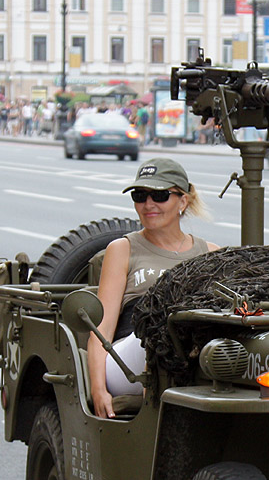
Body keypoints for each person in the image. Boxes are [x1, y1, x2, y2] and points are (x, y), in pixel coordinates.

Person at [88, 158, 218, 418]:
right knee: (162, 328)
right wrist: (97, 389)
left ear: (183, 201)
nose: (148, 205)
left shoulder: (210, 253)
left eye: (159, 195)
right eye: (140, 195)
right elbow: (102, 327)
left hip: (191, 349)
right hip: (130, 355)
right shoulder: (123, 249)